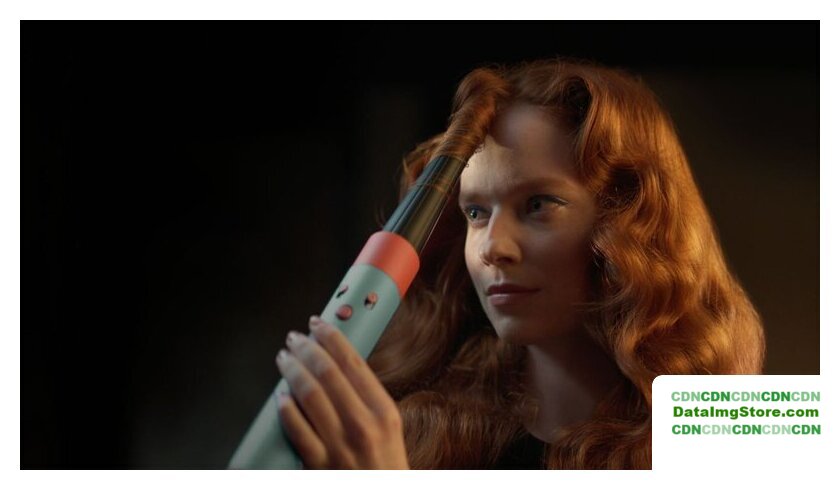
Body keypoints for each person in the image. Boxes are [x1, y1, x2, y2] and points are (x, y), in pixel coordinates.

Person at [273, 58, 766, 469]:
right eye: (476, 212)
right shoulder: (414, 436)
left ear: (627, 219)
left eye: (537, 205)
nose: (492, 247)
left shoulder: (737, 435)